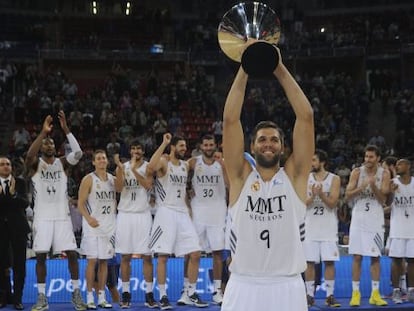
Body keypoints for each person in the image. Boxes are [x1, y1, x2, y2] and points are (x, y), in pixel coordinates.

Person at [221, 47, 314, 311]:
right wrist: (246, 64)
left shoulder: (295, 177)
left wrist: (278, 67)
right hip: (243, 285)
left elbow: (306, 117)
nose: (268, 144)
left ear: (283, 147)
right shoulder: (239, 177)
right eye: (262, 139)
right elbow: (230, 120)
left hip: (288, 286)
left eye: (274, 139)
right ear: (252, 147)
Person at [25, 111, 86, 311]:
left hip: (62, 217)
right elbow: (28, 156)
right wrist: (42, 133)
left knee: (72, 253)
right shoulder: (35, 165)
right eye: (46, 143)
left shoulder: (62, 163)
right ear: (41, 146)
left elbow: (78, 154)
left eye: (51, 143)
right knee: (41, 256)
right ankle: (42, 297)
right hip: (42, 217)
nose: (48, 145)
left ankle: (76, 293)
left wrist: (67, 130)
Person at [147, 133, 208, 309]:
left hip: (182, 213)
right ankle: (163, 296)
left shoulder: (185, 165)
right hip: (165, 211)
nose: (184, 149)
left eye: (185, 146)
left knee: (195, 253)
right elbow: (150, 167)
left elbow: (204, 157)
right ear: (173, 147)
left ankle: (191, 292)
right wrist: (163, 144)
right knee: (163, 257)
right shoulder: (164, 162)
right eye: (181, 146)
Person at [184, 134, 228, 305]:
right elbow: (178, 180)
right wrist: (187, 197)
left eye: (211, 145)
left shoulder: (222, 163)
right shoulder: (193, 163)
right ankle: (188, 291)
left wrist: (224, 166)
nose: (209, 147)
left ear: (215, 146)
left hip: (217, 214)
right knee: (192, 253)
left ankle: (217, 292)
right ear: (201, 146)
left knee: (218, 253)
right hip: (198, 214)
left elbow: (231, 186)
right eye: (206, 145)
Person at [113, 140, 157, 308]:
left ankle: (149, 294)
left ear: (143, 152)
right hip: (125, 214)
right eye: (133, 148)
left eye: (139, 148)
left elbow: (147, 185)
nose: (136, 151)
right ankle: (125, 294)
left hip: (143, 214)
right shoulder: (122, 166)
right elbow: (118, 188)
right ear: (130, 151)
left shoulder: (148, 167)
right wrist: (119, 169)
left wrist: (132, 170)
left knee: (147, 256)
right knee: (125, 256)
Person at [345, 145, 390, 307]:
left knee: (375, 257)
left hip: (375, 220)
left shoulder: (384, 174)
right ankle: (355, 293)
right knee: (357, 256)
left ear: (378, 158)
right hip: (358, 219)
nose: (368, 160)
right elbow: (347, 195)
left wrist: (373, 186)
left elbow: (383, 199)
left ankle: (375, 294)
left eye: (371, 157)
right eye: (366, 157)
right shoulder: (357, 172)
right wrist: (362, 187)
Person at [77, 149, 117, 310]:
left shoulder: (113, 180)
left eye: (104, 158)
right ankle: (89, 297)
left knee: (104, 262)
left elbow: (122, 190)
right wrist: (88, 219)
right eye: (98, 158)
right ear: (93, 162)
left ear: (107, 161)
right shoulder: (88, 179)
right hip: (92, 226)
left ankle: (101, 296)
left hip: (109, 227)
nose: (101, 160)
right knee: (92, 261)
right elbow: (80, 203)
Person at [303, 150, 341, 307]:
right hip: (310, 226)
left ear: (322, 162)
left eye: (314, 160)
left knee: (329, 262)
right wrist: (313, 196)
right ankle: (309, 295)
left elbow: (332, 203)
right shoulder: (306, 178)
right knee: (310, 262)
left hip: (328, 227)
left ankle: (330, 295)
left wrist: (321, 195)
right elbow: (302, 203)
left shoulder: (334, 179)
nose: (311, 163)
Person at [0, 156, 30, 310]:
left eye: (8, 164)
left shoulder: (20, 183)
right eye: (2, 164)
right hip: (1, 231)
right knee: (2, 265)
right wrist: (10, 199)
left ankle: (17, 299)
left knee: (19, 266)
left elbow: (25, 203)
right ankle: (4, 297)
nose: (5, 166)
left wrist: (11, 195)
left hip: (18, 230)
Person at [387, 158, 414, 304]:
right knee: (396, 260)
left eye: (400, 164)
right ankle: (396, 291)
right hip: (397, 228)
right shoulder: (393, 183)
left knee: (412, 261)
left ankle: (411, 290)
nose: (397, 166)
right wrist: (391, 193)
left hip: (412, 228)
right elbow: (387, 203)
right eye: (396, 165)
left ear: (408, 166)